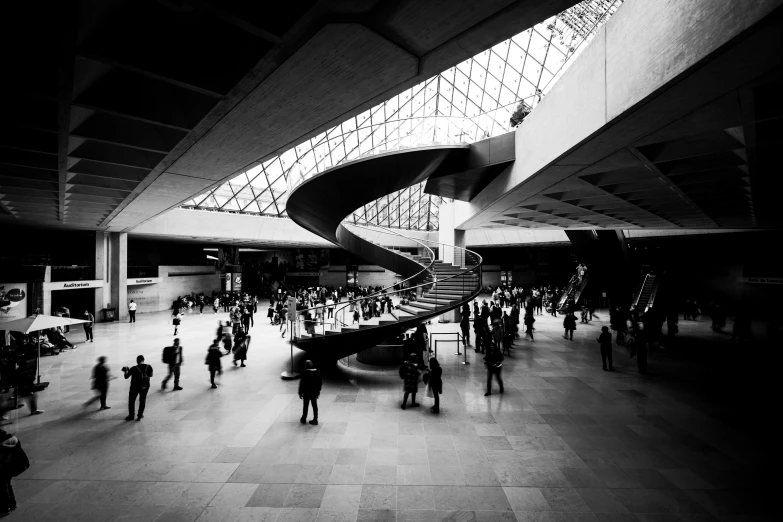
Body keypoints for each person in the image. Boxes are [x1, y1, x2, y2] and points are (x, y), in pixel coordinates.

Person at [123, 355, 153, 421]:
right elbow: (151, 375)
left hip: (134, 387)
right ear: (143, 360)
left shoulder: (133, 368)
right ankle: (140, 415)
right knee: (142, 400)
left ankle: (131, 415)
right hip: (145, 387)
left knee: (131, 401)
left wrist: (126, 371)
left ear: (137, 361)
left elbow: (126, 376)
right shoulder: (149, 367)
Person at [0, 428, 20, 517]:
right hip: (7, 458)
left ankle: (4, 508)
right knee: (6, 481)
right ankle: (12, 504)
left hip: (4, 457)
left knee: (2, 483)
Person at [299, 360, 322, 425]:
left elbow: (302, 384)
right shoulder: (317, 373)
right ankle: (315, 419)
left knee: (305, 405)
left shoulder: (304, 373)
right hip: (314, 393)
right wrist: (318, 392)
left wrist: (300, 392)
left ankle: (304, 418)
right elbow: (320, 383)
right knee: (314, 406)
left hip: (306, 393)